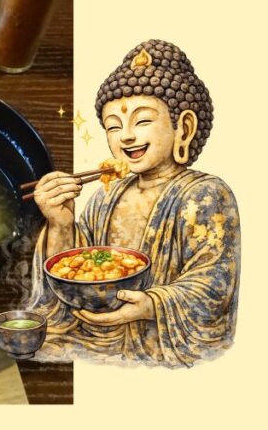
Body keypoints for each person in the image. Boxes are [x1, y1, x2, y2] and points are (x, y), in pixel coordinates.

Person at [28, 39, 240, 367]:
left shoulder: (206, 194)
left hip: (161, 335)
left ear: (184, 128)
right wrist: (61, 223)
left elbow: (215, 282)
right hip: (96, 329)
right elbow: (76, 269)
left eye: (141, 121)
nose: (125, 136)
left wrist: (150, 305)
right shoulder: (106, 194)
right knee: (40, 344)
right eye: (114, 126)